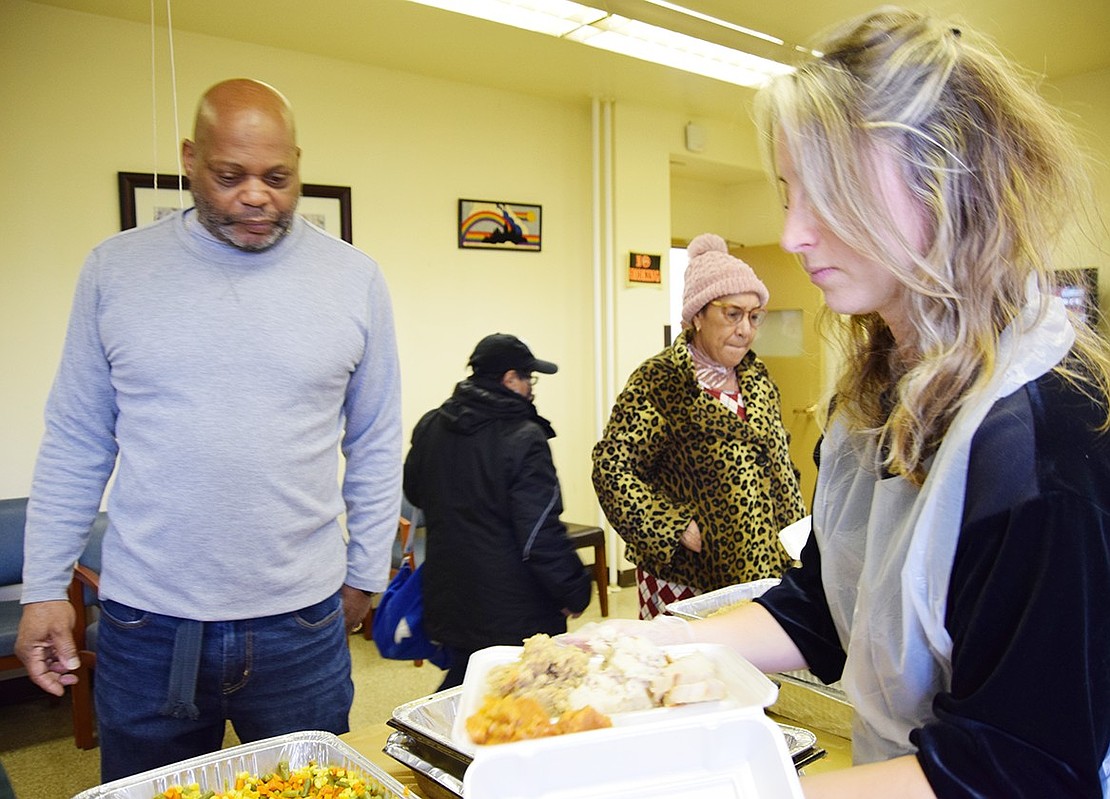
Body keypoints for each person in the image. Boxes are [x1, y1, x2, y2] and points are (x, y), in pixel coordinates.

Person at [570, 8, 1110, 797]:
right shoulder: (876, 395)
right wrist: (650, 648)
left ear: (947, 181)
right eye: (791, 192)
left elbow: (1019, 767)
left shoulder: (1043, 433)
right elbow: (824, 605)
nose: (792, 234)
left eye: (828, 195)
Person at [15, 78, 402, 782]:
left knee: (312, 793)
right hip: (147, 624)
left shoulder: (354, 279)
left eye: (278, 177)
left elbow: (375, 439)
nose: (257, 196)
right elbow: (77, 438)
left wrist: (366, 572)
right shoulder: (116, 270)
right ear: (191, 158)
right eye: (230, 175)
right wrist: (44, 585)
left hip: (302, 622)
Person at [592, 233, 806, 619]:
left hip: (761, 568)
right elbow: (612, 470)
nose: (746, 329)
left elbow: (780, 465)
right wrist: (673, 528)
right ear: (696, 316)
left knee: (749, 669)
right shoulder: (662, 381)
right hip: (686, 576)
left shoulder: (757, 378)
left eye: (755, 316)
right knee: (686, 669)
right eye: (733, 314)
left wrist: (798, 540)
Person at [404, 333, 592, 690]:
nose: (532, 388)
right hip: (513, 607)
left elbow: (416, 492)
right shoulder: (523, 437)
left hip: (449, 593)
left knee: (470, 682)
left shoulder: (431, 425)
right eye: (529, 379)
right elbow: (538, 533)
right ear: (509, 379)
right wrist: (572, 590)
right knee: (516, 696)